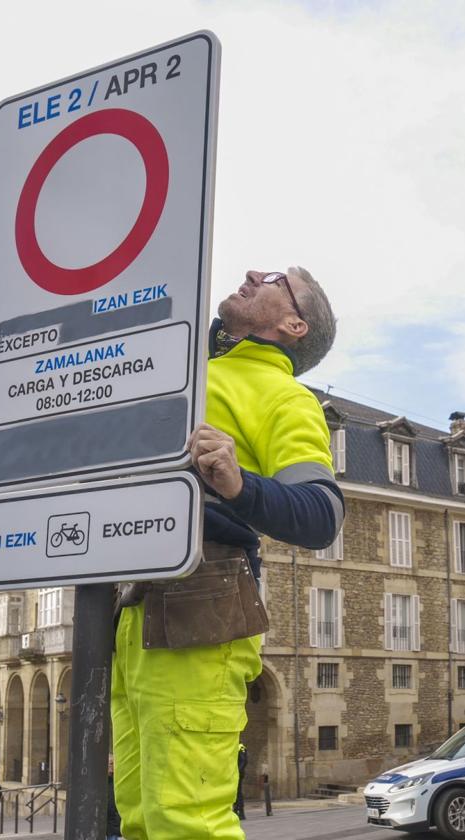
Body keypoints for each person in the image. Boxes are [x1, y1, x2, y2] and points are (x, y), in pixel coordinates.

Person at [112, 267, 342, 839]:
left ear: (294, 323)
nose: (250, 274)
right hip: (132, 606)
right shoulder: (189, 371)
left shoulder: (287, 397)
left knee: (187, 824)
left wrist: (239, 484)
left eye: (273, 279)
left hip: (200, 607)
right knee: (140, 820)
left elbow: (322, 513)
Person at [106, 755, 122, 840]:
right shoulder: (101, 781)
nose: (110, 765)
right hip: (102, 822)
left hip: (113, 823)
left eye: (111, 763)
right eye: (108, 763)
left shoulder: (117, 780)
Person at [234, 743, 248, 821]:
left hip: (238, 773)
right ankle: (235, 810)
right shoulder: (236, 746)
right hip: (234, 773)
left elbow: (243, 761)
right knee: (235, 792)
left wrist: (238, 771)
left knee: (238, 792)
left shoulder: (240, 747)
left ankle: (241, 812)